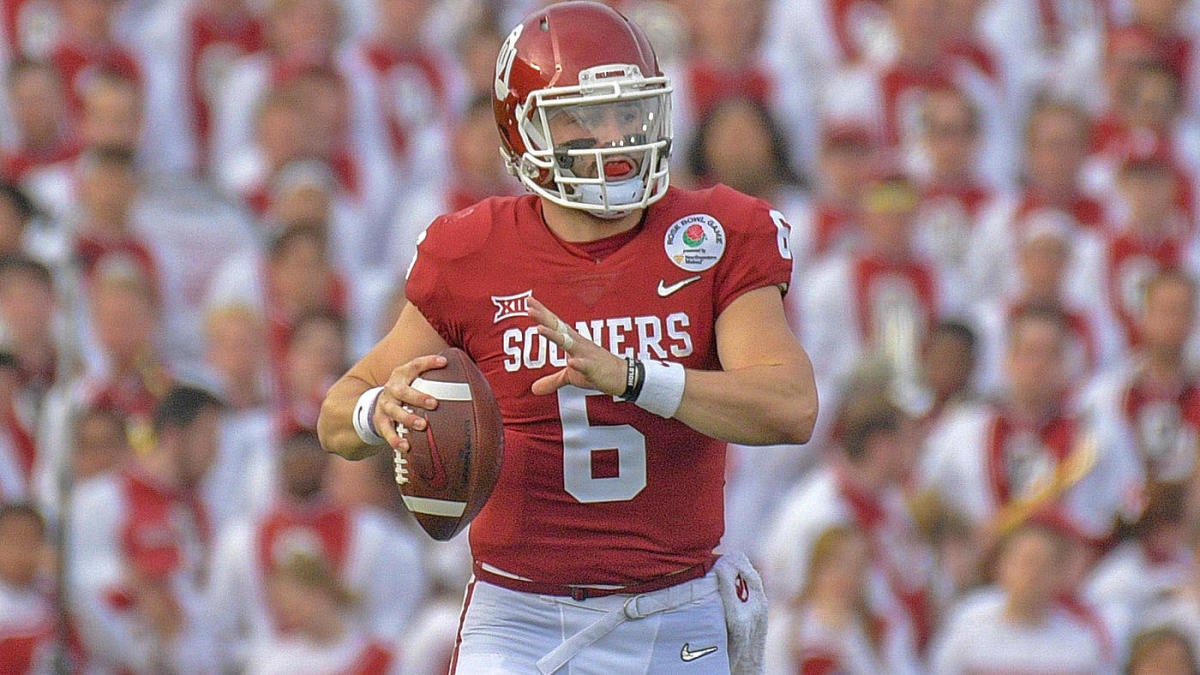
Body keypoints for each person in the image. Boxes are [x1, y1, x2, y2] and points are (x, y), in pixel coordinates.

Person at [316, 2, 818, 673]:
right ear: (522, 131)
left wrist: (637, 378)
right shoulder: (473, 250)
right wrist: (377, 410)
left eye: (627, 112)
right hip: (520, 614)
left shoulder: (712, 232)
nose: (614, 137)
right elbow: (334, 417)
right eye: (584, 117)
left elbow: (792, 406)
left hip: (676, 609)